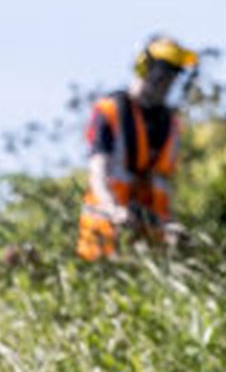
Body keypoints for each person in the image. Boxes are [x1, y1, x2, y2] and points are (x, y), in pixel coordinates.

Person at [75, 35, 199, 261]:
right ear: (144, 68)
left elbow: (162, 185)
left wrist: (169, 227)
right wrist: (113, 209)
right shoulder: (109, 111)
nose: (166, 83)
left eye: (172, 77)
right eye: (162, 75)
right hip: (104, 238)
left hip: (151, 247)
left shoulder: (170, 125)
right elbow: (98, 174)